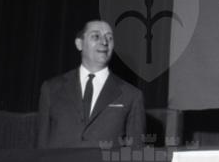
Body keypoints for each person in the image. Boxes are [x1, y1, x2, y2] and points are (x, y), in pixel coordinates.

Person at [37, 20, 145, 148]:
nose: (104, 42)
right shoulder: (51, 89)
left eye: (109, 38)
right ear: (79, 44)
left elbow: (136, 151)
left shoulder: (131, 95)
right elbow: (41, 147)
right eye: (96, 36)